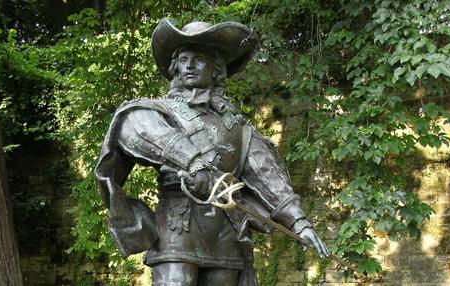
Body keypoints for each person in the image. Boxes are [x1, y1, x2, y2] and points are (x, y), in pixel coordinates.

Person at [95, 18, 329, 286]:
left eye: (199, 59)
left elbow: (266, 175)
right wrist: (194, 163)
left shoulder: (237, 125)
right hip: (177, 225)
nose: (190, 66)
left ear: (216, 69)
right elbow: (135, 129)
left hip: (226, 231)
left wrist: (299, 223)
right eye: (183, 59)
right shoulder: (158, 111)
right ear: (175, 68)